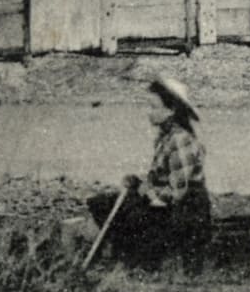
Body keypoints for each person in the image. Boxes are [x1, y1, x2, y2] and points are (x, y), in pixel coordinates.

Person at [86, 75, 213, 273]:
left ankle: (141, 261)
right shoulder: (166, 137)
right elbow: (161, 179)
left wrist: (146, 192)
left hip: (187, 211)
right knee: (100, 203)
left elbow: (176, 193)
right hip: (170, 205)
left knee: (132, 213)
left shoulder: (180, 140)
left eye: (154, 107)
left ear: (170, 110)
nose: (149, 113)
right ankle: (132, 256)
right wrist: (138, 183)